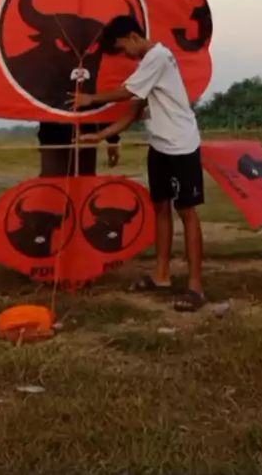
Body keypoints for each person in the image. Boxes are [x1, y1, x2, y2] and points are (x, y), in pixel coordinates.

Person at [74, 15, 205, 312]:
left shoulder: (158, 56)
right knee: (161, 207)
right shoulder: (147, 63)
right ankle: (161, 275)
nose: (124, 54)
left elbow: (128, 92)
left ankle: (196, 285)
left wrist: (91, 99)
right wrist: (102, 135)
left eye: (122, 48)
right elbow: (135, 108)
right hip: (159, 145)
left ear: (133, 36)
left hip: (181, 145)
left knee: (187, 212)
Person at [37, 121, 120, 177]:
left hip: (85, 136)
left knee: (84, 186)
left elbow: (100, 105)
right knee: (53, 185)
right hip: (55, 137)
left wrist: (112, 139)